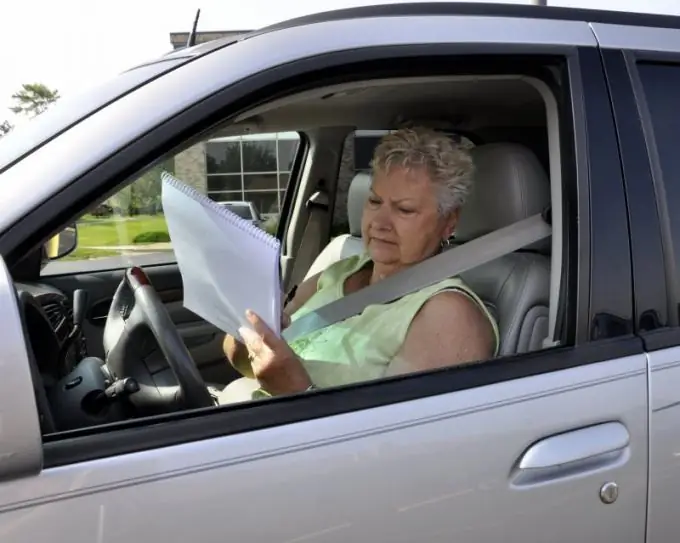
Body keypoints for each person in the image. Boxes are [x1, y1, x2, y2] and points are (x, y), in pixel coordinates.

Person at [219, 126, 499, 403]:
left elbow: (402, 440)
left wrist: (297, 392)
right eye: (375, 201)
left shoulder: (448, 314)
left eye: (404, 210)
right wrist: (247, 336)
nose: (379, 223)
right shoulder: (341, 269)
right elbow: (250, 366)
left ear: (449, 222)